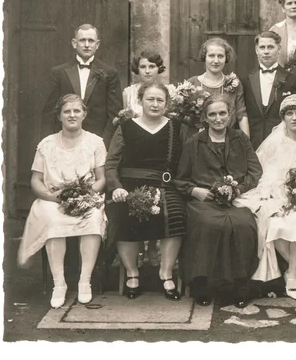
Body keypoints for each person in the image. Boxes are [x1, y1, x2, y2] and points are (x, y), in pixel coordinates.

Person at [234, 94, 296, 301]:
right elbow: (262, 171)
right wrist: (278, 193)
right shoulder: (276, 141)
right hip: (275, 192)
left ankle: (291, 274)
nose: (294, 118)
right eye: (289, 114)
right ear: (283, 118)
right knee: (274, 222)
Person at [18, 94, 107, 308]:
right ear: (59, 116)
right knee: (52, 218)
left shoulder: (95, 142)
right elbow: (36, 180)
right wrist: (52, 196)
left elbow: (102, 179)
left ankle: (85, 281)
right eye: (67, 111)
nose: (72, 115)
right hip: (53, 199)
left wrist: (86, 195)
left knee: (93, 217)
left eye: (77, 111)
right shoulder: (47, 144)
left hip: (86, 197)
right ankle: (59, 283)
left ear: (84, 114)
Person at [175, 95, 262, 308]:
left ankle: (239, 284)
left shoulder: (241, 139)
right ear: (205, 117)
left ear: (230, 115)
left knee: (242, 224)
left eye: (222, 113)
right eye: (212, 114)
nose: (218, 118)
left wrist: (238, 189)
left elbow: (255, 171)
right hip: (204, 202)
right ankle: (201, 283)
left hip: (236, 200)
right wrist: (196, 191)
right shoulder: (194, 143)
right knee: (208, 224)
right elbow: (181, 179)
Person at [105, 80, 186, 301]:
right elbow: (111, 162)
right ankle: (132, 273)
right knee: (122, 214)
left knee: (176, 213)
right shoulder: (126, 127)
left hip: (165, 184)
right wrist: (116, 187)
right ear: (140, 100)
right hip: (129, 186)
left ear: (167, 103)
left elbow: (185, 161)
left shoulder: (175, 127)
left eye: (160, 100)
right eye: (150, 99)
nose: (155, 104)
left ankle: (166, 273)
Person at [42, 23, 123, 148]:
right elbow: (49, 112)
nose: (86, 45)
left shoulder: (110, 73)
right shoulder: (59, 73)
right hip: (64, 141)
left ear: (97, 44)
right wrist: (49, 143)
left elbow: (114, 114)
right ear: (74, 43)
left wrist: (104, 143)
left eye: (91, 41)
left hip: (97, 142)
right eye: (82, 40)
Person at [124, 51, 167, 268]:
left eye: (152, 66)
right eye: (143, 67)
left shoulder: (169, 91)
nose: (148, 70)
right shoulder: (128, 93)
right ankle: (138, 249)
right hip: (136, 149)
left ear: (159, 68)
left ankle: (153, 248)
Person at [241, 31, 296, 150]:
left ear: (279, 49)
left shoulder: (293, 80)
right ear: (257, 50)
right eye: (262, 47)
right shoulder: (246, 81)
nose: (266, 51)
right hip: (253, 144)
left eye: (270, 47)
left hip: (283, 144)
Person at [184, 38, 249, 137]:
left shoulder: (234, 84)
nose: (216, 60)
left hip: (227, 140)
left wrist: (246, 144)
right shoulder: (192, 83)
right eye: (211, 56)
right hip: (197, 140)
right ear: (204, 57)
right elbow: (183, 116)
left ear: (226, 58)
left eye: (220, 56)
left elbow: (241, 115)